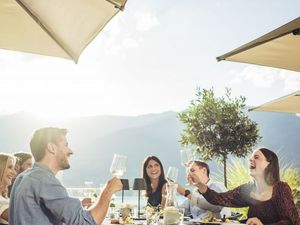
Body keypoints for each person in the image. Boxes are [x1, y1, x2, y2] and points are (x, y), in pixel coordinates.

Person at [9, 127, 122, 225]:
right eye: (66, 145)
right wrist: (108, 189)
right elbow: (87, 223)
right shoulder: (44, 180)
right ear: (52, 148)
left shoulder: (23, 177)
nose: (71, 151)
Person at [190, 148, 300, 225]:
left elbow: (291, 222)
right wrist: (200, 185)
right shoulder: (247, 190)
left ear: (269, 164)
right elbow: (219, 199)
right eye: (251, 158)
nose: (251, 160)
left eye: (256, 157)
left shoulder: (281, 188)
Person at [0, 153, 17, 225]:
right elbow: (20, 219)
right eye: (10, 167)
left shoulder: (6, 199)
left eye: (14, 168)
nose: (14, 173)